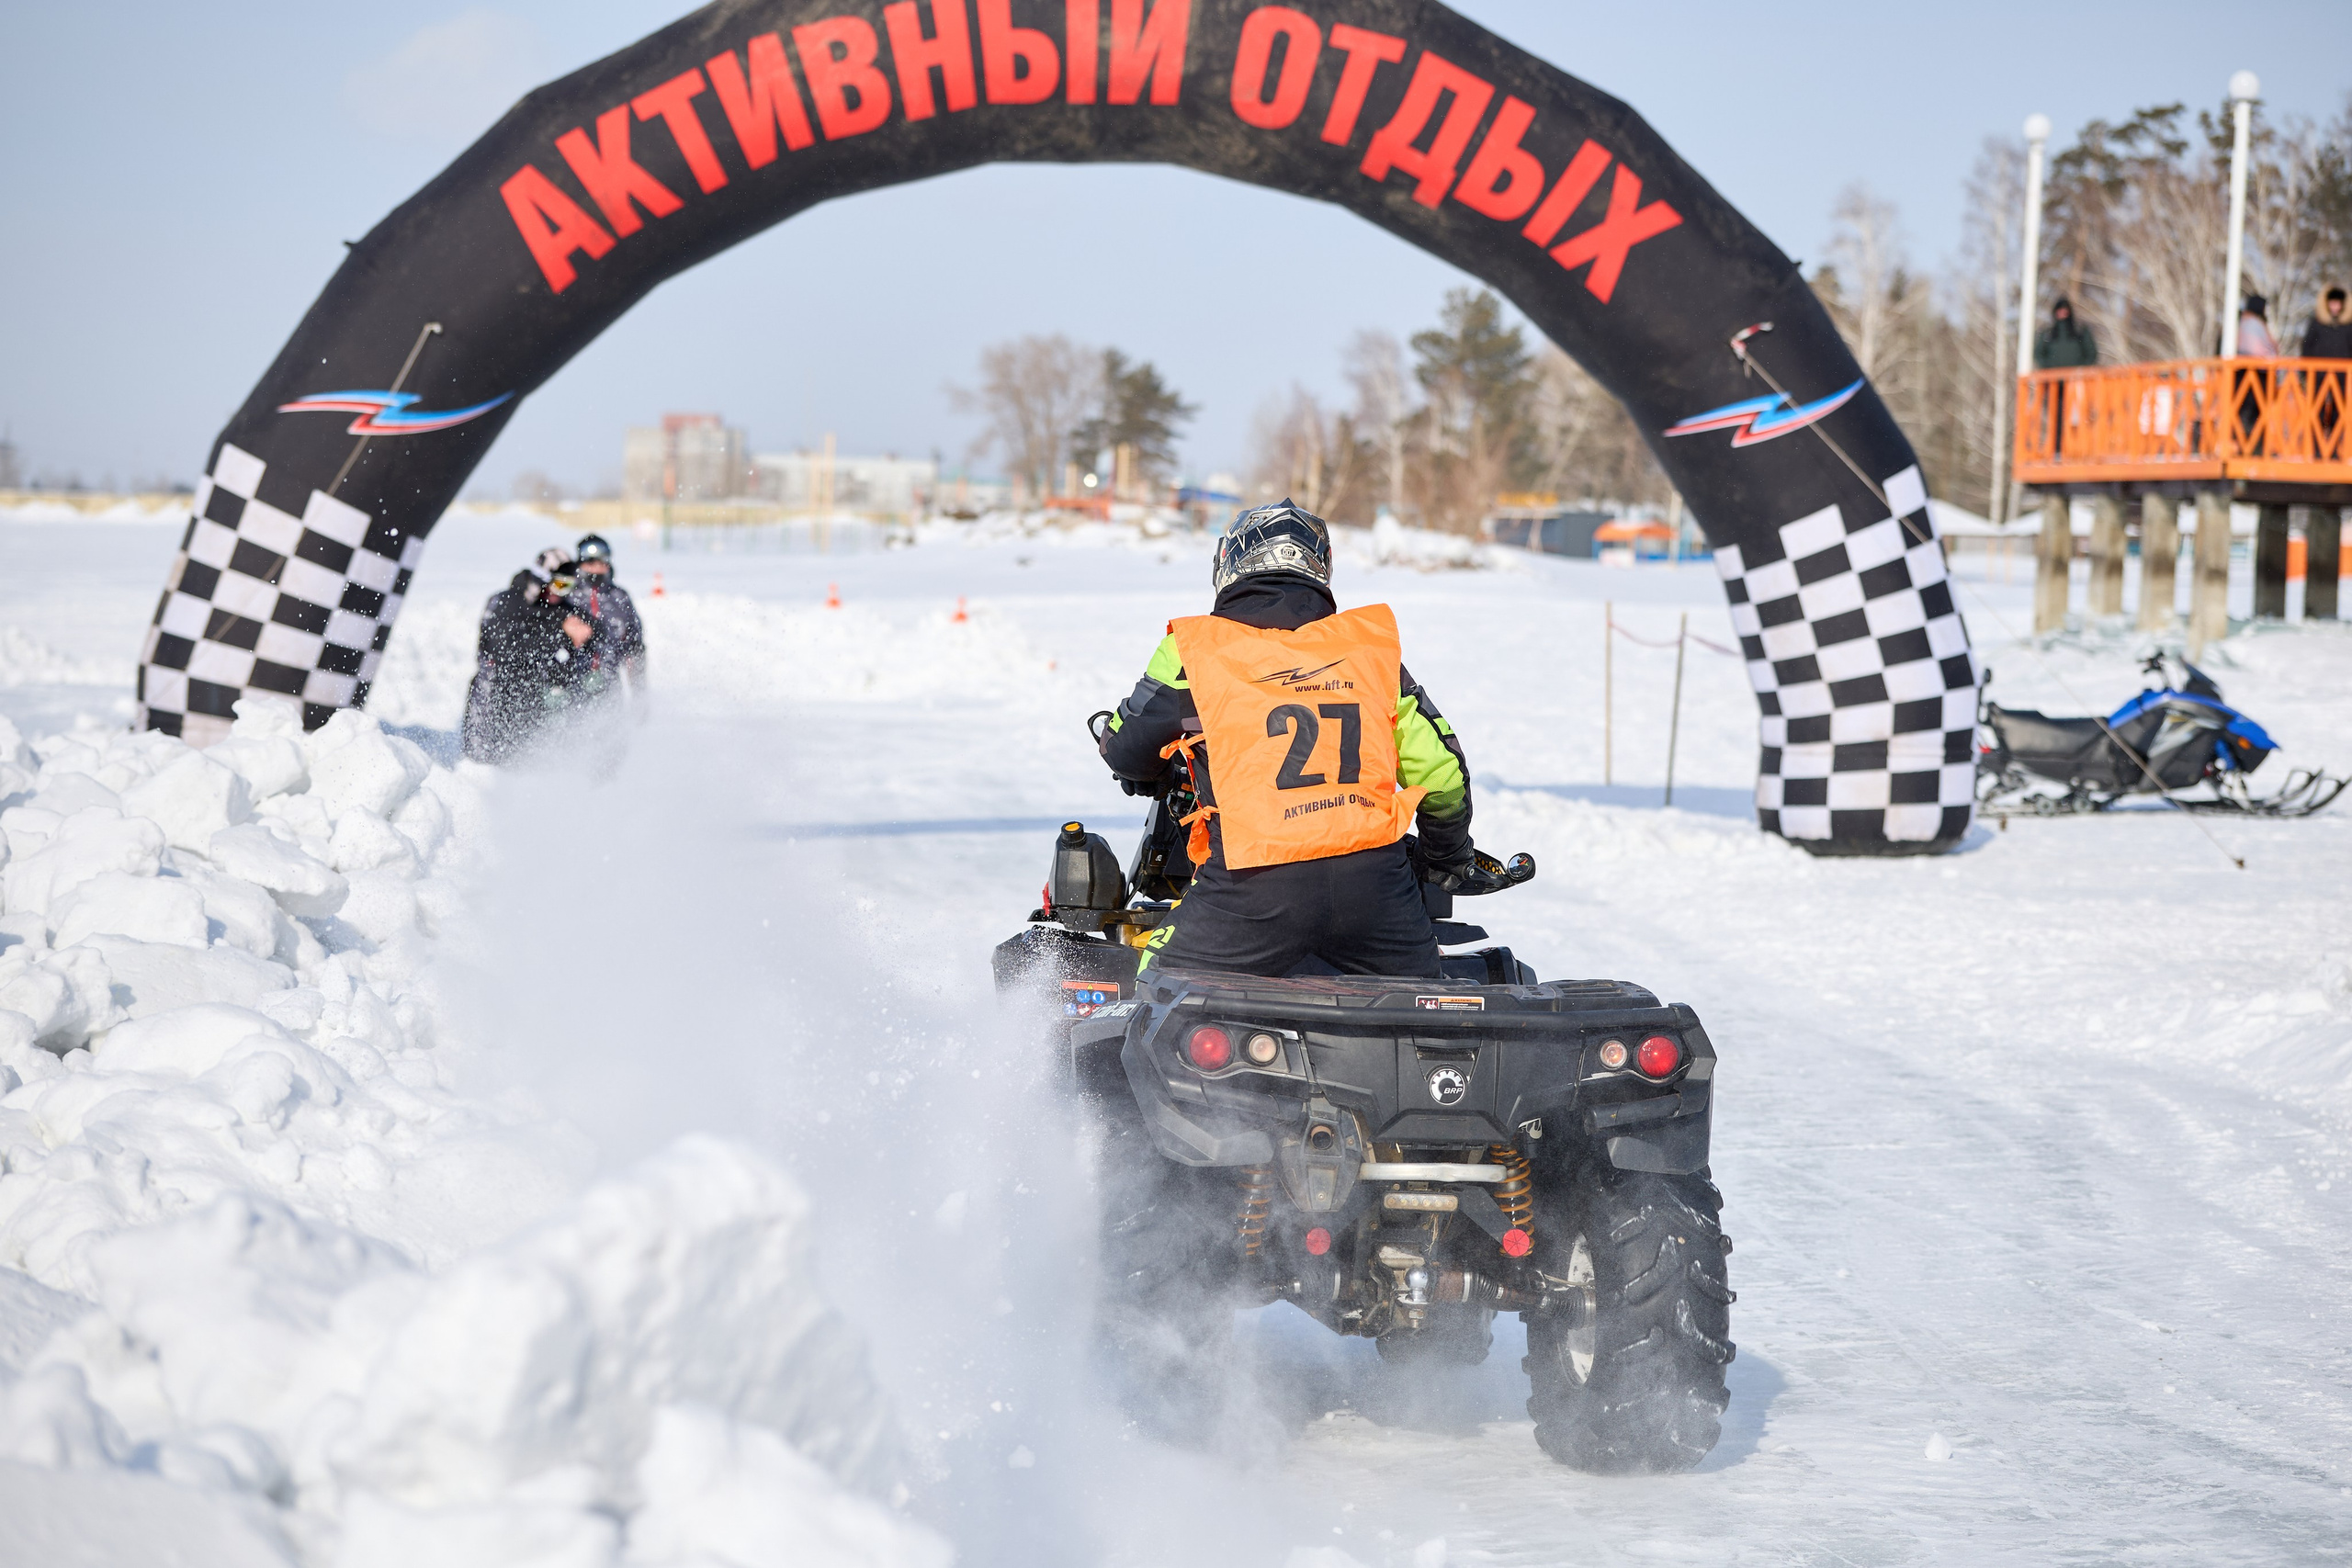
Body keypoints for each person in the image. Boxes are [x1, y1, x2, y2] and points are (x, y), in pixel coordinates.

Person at [1098, 500, 1490, 979]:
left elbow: (1126, 749)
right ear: (1321, 569)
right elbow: (1441, 772)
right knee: (1422, 1013)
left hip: (1251, 893)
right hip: (1376, 896)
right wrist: (1443, 857)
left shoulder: (1195, 650)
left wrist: (1152, 763)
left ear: (1228, 563)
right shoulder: (1369, 653)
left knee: (1156, 989)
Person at [460, 548, 607, 762]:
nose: (562, 592)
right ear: (542, 579)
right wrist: (561, 632)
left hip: (539, 708)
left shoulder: (560, 607)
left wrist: (583, 631)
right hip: (495, 702)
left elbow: (597, 631)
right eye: (559, 584)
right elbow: (503, 648)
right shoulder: (505, 602)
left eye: (569, 586)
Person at [571, 534, 647, 697]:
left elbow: (635, 646)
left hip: (610, 687)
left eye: (602, 563)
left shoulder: (619, 597)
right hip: (572, 685)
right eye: (591, 563)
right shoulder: (568, 595)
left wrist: (639, 694)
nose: (596, 568)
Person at [2032, 297, 2098, 368]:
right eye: (2059, 312)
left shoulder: (2079, 331)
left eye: (2064, 312)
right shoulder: (2048, 333)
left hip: (2077, 376)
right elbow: (2038, 354)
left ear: (2069, 312)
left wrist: (2082, 368)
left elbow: (2091, 353)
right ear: (2055, 313)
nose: (2062, 314)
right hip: (2053, 377)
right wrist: (2048, 368)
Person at [2299, 286, 2352, 359]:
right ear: (2326, 303)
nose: (2335, 307)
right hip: (2319, 368)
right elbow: (2307, 346)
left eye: (2338, 303)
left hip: (2345, 369)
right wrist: (2304, 369)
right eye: (2332, 303)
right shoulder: (2317, 323)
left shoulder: (2349, 325)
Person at [2236, 294, 2279, 358]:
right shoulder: (2254, 323)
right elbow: (2265, 347)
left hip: (2246, 362)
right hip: (2259, 363)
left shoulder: (2242, 321)